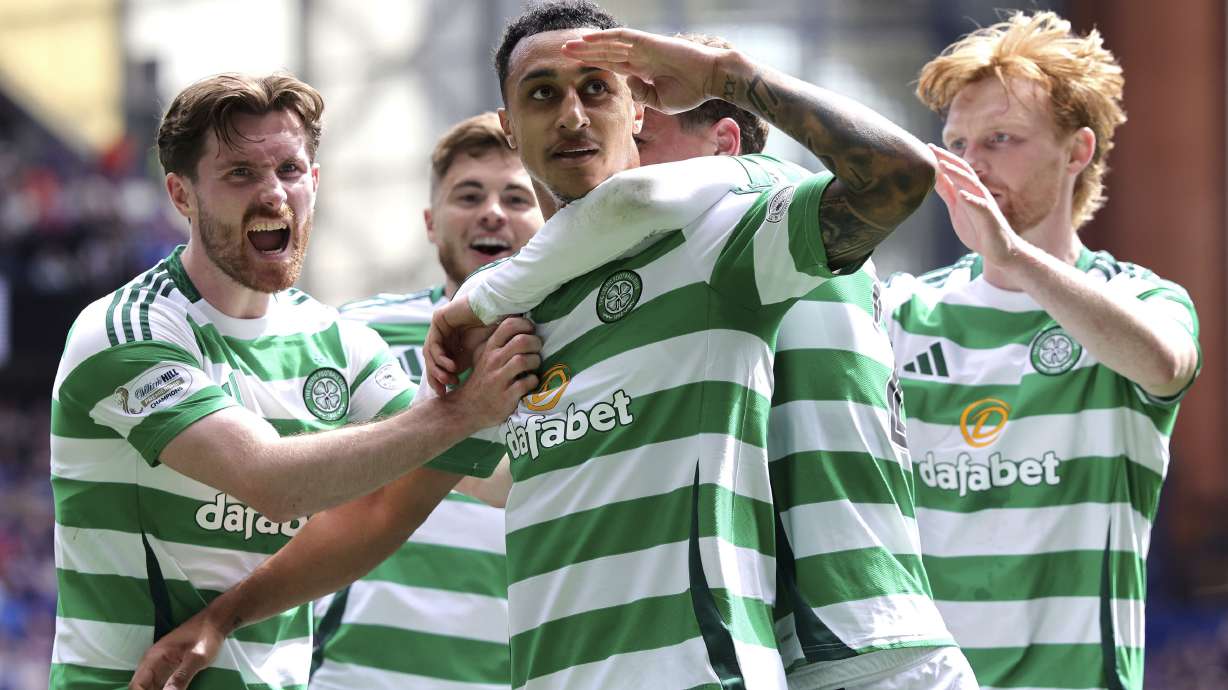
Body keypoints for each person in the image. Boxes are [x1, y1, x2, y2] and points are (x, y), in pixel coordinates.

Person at [130, 2, 936, 688]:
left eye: (596, 89)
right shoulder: (510, 323)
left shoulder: (720, 239)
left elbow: (897, 177)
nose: (573, 116)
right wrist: (224, 617)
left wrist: (727, 71)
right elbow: (383, 508)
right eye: (543, 95)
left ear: (640, 111)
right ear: (510, 126)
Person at [48, 73, 541, 689]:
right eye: (239, 174)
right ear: (182, 195)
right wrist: (459, 411)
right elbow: (271, 482)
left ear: (314, 181)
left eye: (288, 169)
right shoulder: (126, 331)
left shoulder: (339, 343)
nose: (273, 194)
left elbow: (488, 481)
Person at [632, 33, 970, 690]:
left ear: (725, 144)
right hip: (854, 641)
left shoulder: (767, 211)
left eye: (641, 144)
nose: (625, 168)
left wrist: (727, 75)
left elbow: (896, 171)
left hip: (848, 648)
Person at [881, 12, 1200, 690]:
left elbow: (1166, 365)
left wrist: (1016, 259)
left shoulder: (1141, 299)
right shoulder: (904, 311)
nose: (971, 167)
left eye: (1001, 140)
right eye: (958, 144)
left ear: (1077, 151)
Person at [309, 112, 542, 690]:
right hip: (355, 675)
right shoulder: (355, 333)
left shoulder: (588, 349)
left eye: (516, 197)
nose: (493, 211)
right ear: (432, 223)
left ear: (549, 223)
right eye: (470, 195)